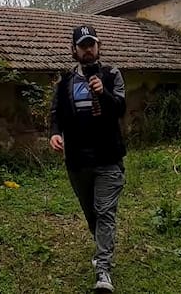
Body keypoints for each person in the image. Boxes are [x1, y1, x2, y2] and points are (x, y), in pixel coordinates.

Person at [49, 24, 127, 293]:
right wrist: (55, 134)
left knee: (105, 211)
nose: (88, 49)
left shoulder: (111, 75)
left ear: (98, 46)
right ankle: (102, 247)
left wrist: (101, 92)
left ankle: (103, 270)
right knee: (92, 214)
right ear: (74, 50)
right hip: (77, 162)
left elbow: (120, 108)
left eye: (92, 44)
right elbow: (56, 114)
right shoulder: (65, 82)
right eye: (83, 45)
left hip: (108, 158)